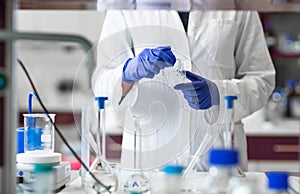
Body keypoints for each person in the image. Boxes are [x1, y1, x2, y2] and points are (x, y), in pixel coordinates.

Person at [92, 10, 275, 171]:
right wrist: (128, 73)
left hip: (216, 161)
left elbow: (261, 79)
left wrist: (218, 93)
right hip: (148, 164)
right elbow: (101, 84)